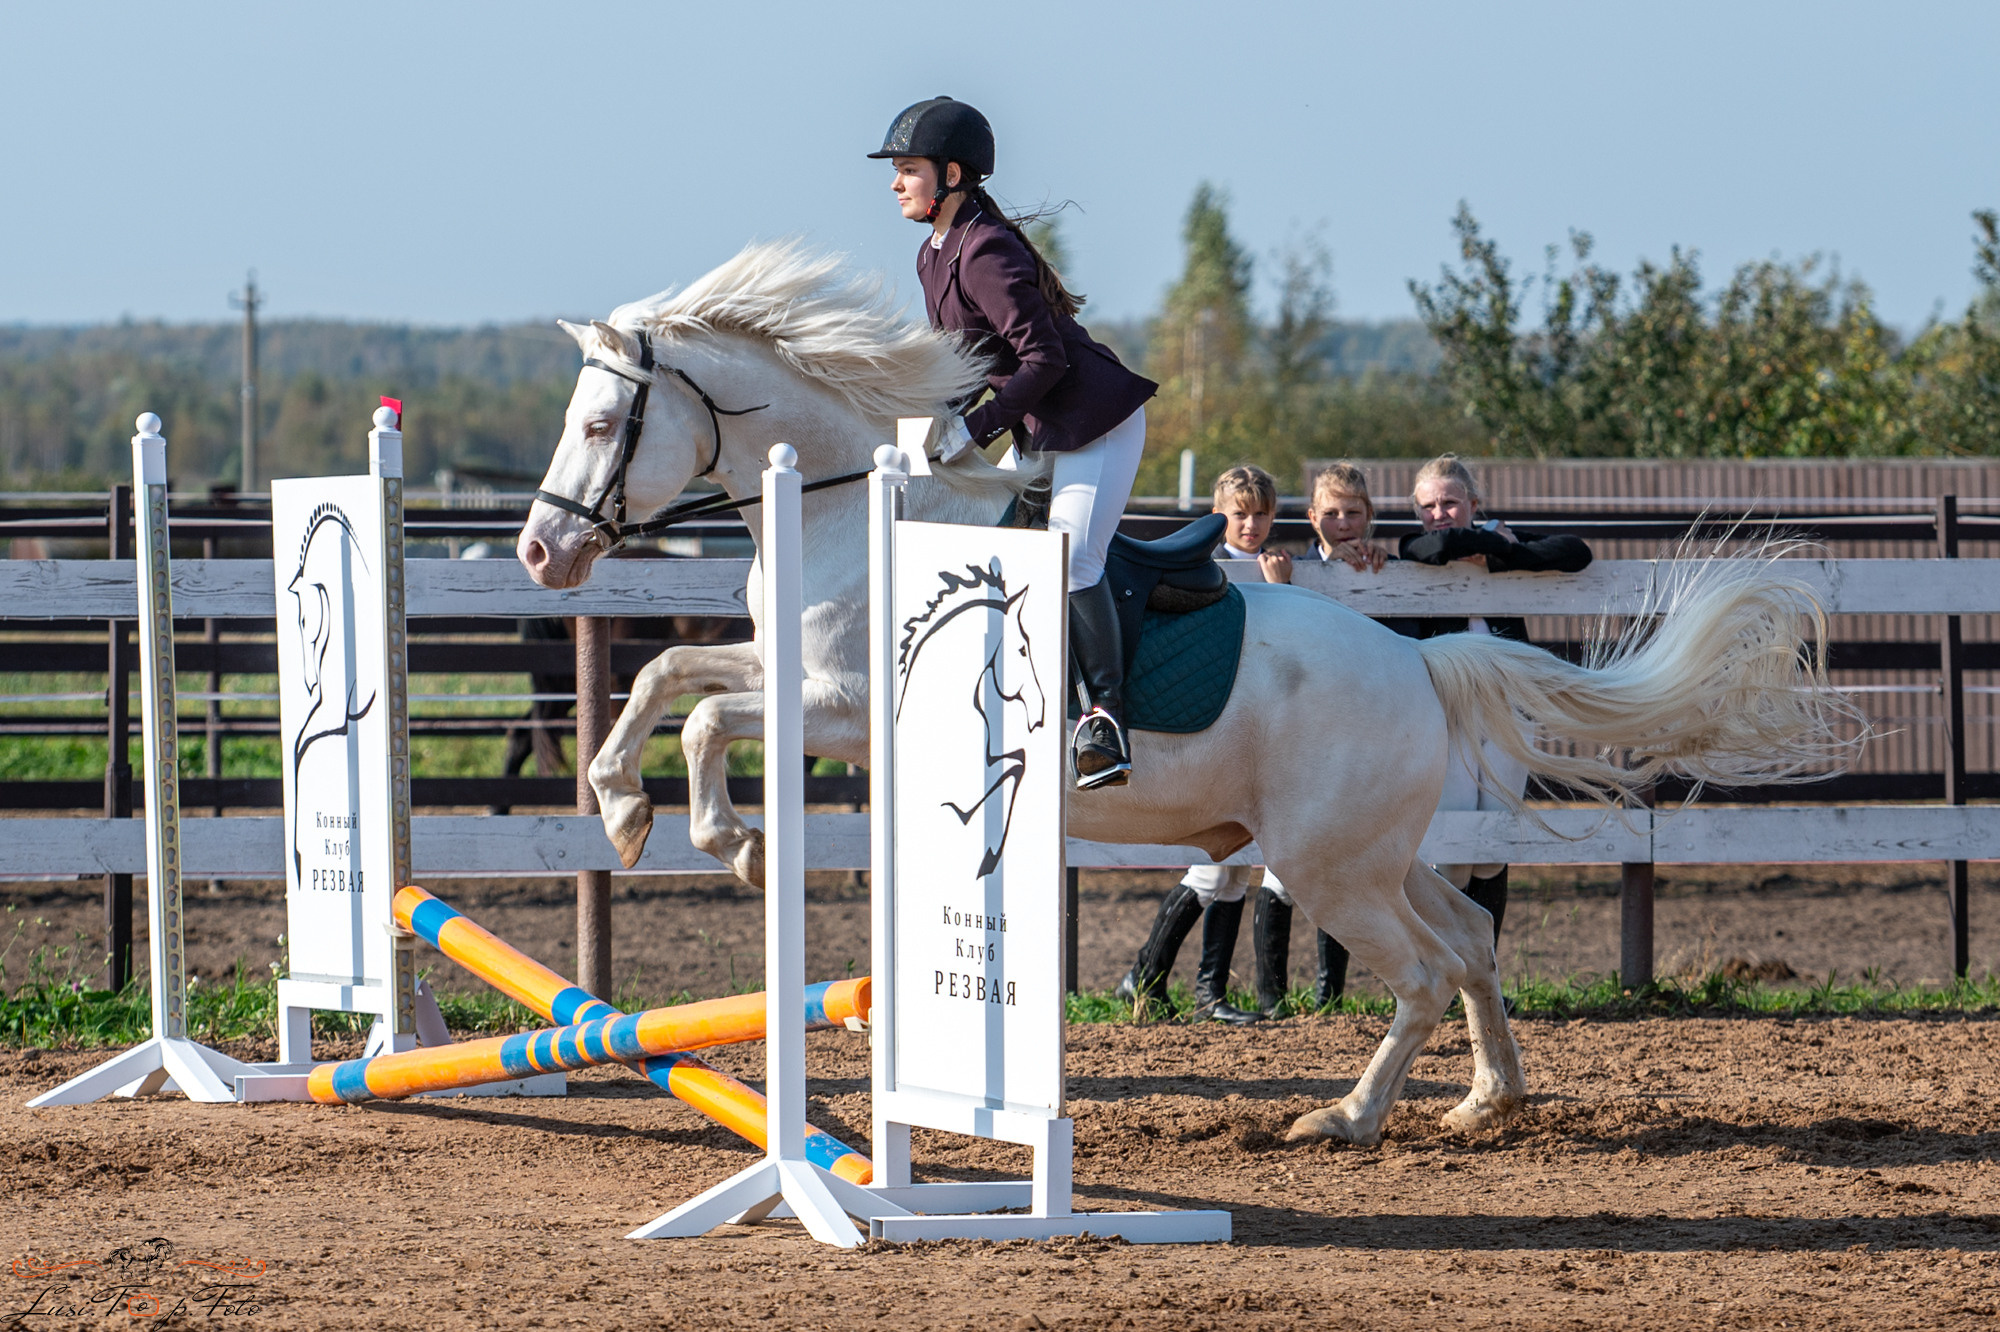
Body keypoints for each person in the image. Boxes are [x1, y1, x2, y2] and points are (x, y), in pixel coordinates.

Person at [870, 96, 1156, 791]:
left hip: (1095, 423)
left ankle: (1106, 723)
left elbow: (1046, 360)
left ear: (953, 173)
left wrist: (971, 430)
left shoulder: (985, 251)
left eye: (908, 169)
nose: (895, 183)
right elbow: (964, 365)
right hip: (1039, 425)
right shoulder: (934, 253)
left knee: (1069, 560)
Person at [1395, 453, 1592, 940]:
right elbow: (1431, 546)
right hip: (1449, 713)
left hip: (1507, 710)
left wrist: (1506, 555)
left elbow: (1574, 552)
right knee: (1454, 849)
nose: (1439, 514)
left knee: (1492, 851)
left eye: (1450, 502)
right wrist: (1491, 541)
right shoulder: (1417, 544)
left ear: (1474, 503)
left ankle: (1486, 971)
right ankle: (1448, 968)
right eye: (1429, 506)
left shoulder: (1504, 544)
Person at [1117, 466, 1284, 1024]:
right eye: (1241, 514)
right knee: (1212, 873)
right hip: (1217, 729)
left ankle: (1203, 989)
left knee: (1232, 871)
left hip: (1250, 734)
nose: (1253, 524)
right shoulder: (1205, 570)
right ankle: (1147, 975)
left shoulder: (1270, 563)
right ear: (1219, 515)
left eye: (1262, 513)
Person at [1246, 461, 1393, 1013]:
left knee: (1346, 852)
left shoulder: (1386, 568)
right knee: (1283, 857)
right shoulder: (1294, 569)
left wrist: (1379, 566)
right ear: (1312, 519)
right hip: (1304, 729)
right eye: (1330, 513)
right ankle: (1272, 994)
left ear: (1370, 517)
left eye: (1353, 512)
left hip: (1362, 729)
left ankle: (1331, 990)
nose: (1343, 523)